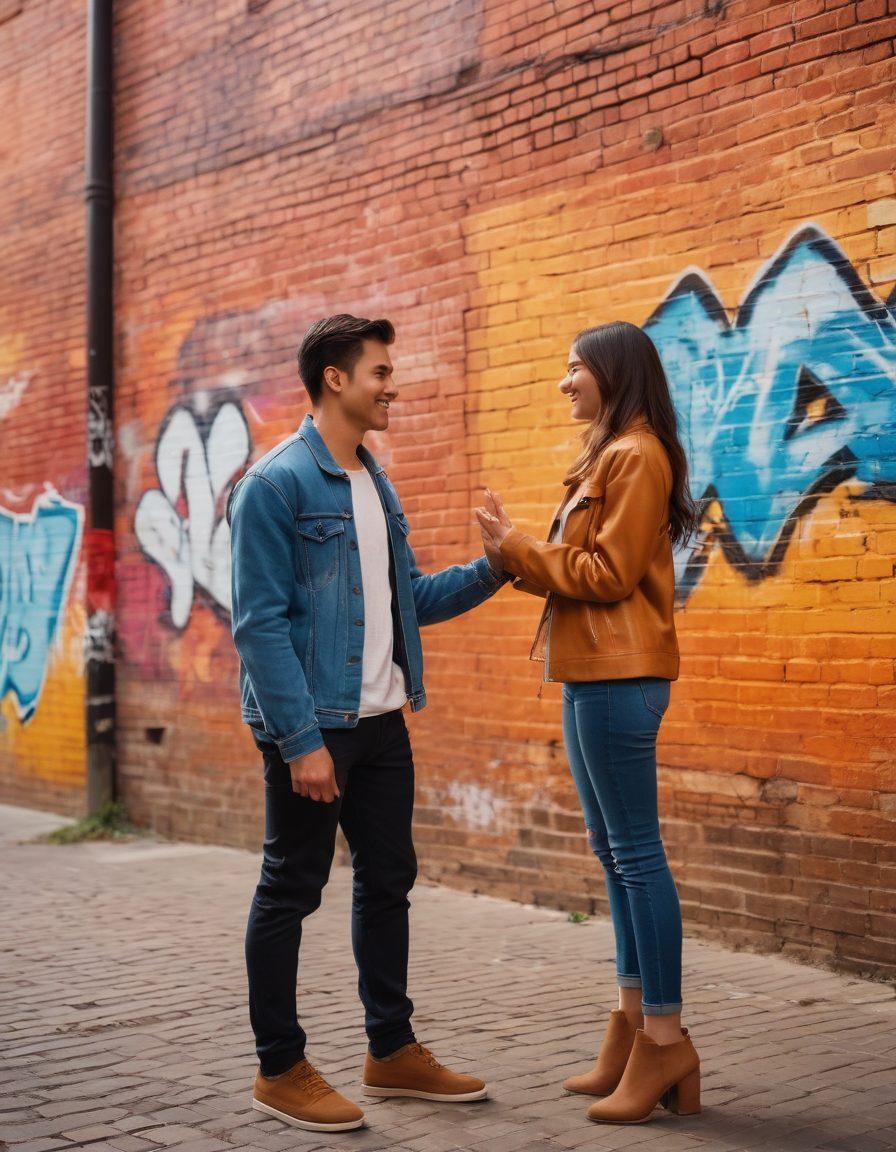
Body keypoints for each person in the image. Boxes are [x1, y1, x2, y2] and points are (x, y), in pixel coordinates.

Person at [229, 314, 504, 1133]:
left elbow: (404, 604)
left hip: (385, 721)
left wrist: (497, 569)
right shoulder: (276, 484)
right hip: (316, 725)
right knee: (293, 887)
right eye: (381, 372)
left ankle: (390, 1050)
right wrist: (302, 739)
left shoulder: (373, 483)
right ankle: (279, 1066)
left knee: (389, 885)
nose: (394, 385)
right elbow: (259, 626)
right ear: (335, 379)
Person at [476, 320, 701, 1126]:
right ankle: (634, 1028)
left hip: (620, 676)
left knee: (638, 856)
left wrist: (517, 551)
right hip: (589, 673)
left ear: (613, 372)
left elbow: (605, 575)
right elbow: (585, 573)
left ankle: (666, 1041)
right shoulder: (608, 455)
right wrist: (517, 553)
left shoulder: (636, 454)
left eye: (575, 367)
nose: (564, 381)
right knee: (614, 853)